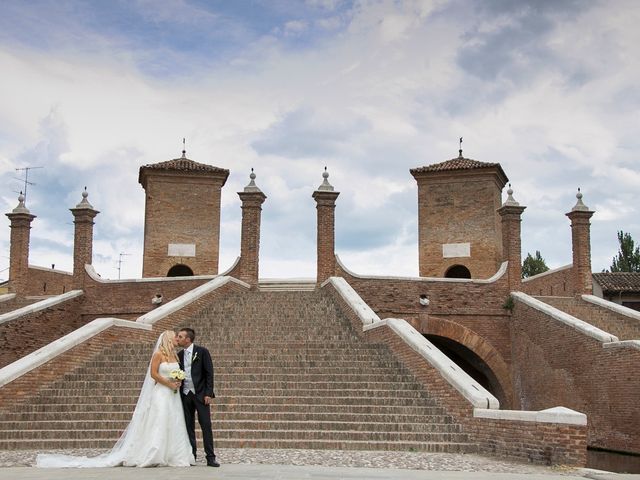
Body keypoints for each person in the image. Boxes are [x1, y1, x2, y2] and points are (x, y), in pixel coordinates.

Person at [36, 330, 195, 468]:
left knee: (173, 422)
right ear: (168, 338)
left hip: (173, 396)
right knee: (159, 421)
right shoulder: (158, 354)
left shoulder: (175, 356)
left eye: (178, 337)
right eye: (175, 337)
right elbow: (153, 374)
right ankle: (154, 453)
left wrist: (177, 382)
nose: (177, 339)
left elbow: (177, 373)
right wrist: (168, 383)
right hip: (161, 392)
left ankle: (173, 454)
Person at [176, 327, 219, 467]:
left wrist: (208, 393)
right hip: (185, 395)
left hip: (201, 395)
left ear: (188, 339)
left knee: (206, 425)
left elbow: (209, 373)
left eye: (180, 337)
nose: (178, 339)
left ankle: (210, 457)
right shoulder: (179, 355)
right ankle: (191, 455)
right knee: (188, 426)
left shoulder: (202, 352)